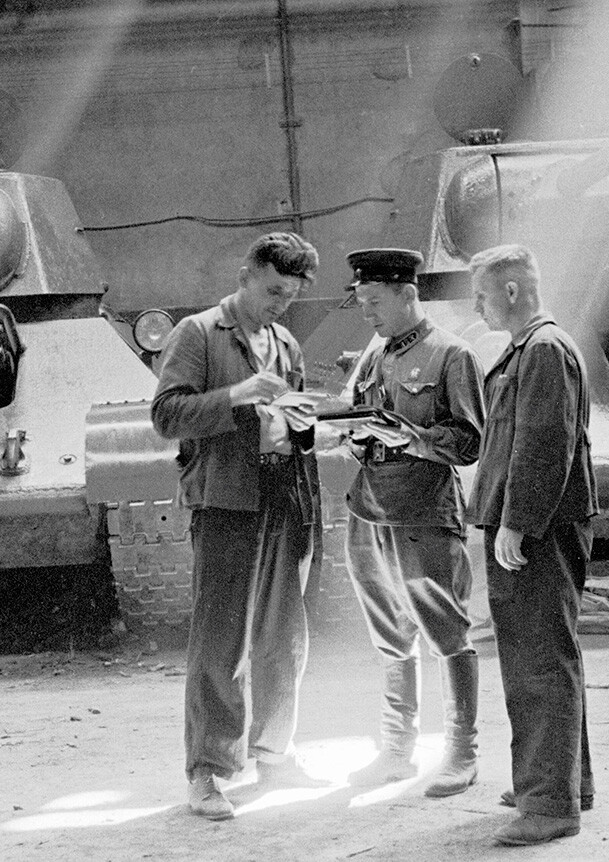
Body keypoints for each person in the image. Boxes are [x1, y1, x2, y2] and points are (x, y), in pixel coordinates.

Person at [151, 231, 325, 821]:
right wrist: (238, 394)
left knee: (284, 635)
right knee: (221, 640)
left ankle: (275, 752)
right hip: (226, 500)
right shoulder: (199, 334)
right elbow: (166, 416)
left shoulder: (286, 342)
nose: (281, 304)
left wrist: (310, 419)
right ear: (246, 273)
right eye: (274, 290)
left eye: (292, 296)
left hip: (285, 495)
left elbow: (296, 419)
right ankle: (208, 773)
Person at [335, 249, 487, 796]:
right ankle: (397, 750)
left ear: (407, 294)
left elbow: (471, 443)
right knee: (389, 636)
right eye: (361, 301)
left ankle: (461, 753)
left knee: (447, 633)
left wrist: (413, 438)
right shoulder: (375, 352)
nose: (367, 312)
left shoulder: (452, 355)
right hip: (369, 508)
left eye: (375, 301)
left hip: (423, 511)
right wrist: (350, 430)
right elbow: (353, 413)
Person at [465, 243, 597, 846]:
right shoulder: (533, 348)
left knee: (537, 661)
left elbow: (545, 441)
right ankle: (565, 784)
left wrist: (517, 521)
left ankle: (549, 805)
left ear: (513, 291)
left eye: (484, 294)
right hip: (536, 524)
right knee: (546, 654)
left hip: (536, 529)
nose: (478, 306)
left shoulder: (542, 349)